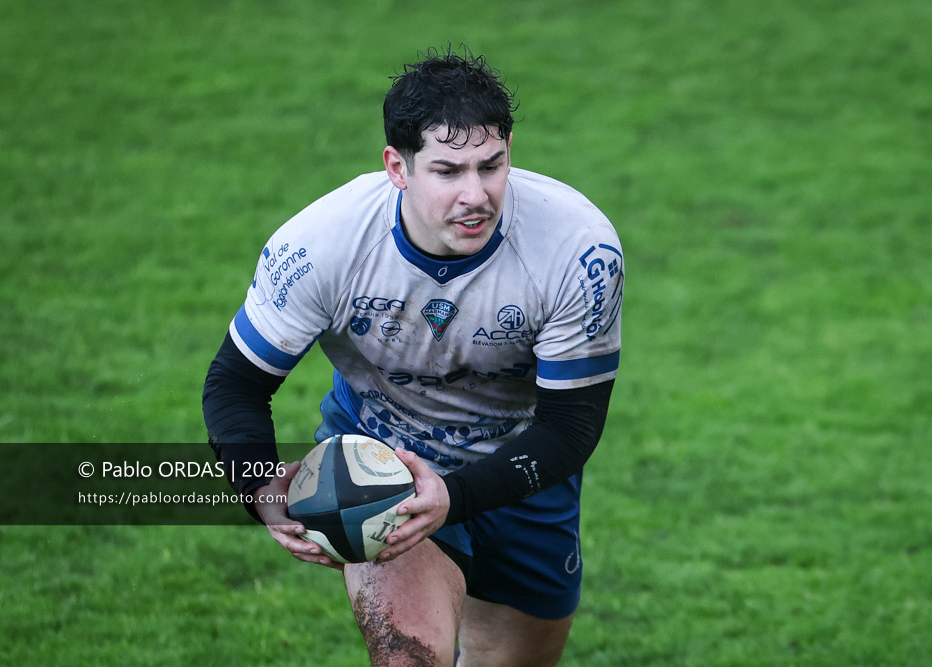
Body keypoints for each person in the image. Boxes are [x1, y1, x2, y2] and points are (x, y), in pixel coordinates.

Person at [203, 46, 623, 666]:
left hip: (520, 469)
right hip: (383, 465)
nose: (476, 194)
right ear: (397, 167)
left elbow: (571, 427)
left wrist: (456, 496)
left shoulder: (576, 250)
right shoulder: (323, 245)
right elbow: (235, 384)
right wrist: (255, 484)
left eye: (492, 165)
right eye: (448, 171)